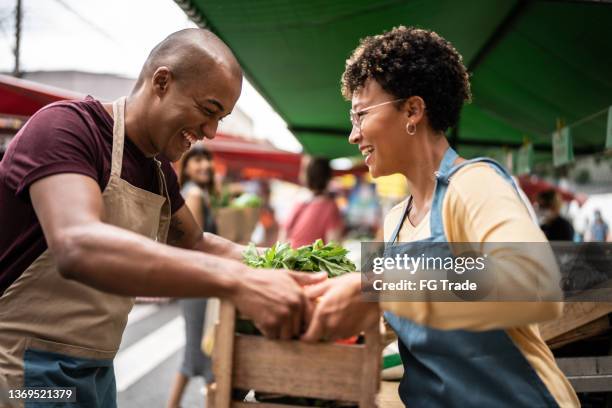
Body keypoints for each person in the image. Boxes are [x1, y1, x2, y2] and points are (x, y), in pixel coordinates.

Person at [0, 29, 324, 408]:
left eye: (221, 118)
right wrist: (237, 281)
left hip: (96, 370)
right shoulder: (66, 129)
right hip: (22, 372)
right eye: (208, 110)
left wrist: (285, 267)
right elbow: (77, 243)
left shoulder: (158, 172)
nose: (211, 132)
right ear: (162, 81)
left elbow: (198, 242)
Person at [302, 26, 578, 407]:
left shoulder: (474, 184)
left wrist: (380, 285)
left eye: (361, 115)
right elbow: (402, 322)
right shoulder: (395, 220)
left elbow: (537, 285)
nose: (353, 135)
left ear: (412, 110)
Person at [167, 145, 217, 408]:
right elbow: (196, 245)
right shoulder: (195, 195)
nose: (205, 166)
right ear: (185, 166)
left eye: (207, 161)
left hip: (197, 283)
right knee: (206, 353)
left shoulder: (196, 194)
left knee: (197, 352)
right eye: (197, 161)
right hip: (199, 283)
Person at [280, 157, 343, 248]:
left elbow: (283, 235)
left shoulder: (299, 201)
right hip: (311, 261)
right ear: (328, 177)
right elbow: (334, 246)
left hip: (291, 257)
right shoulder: (330, 206)